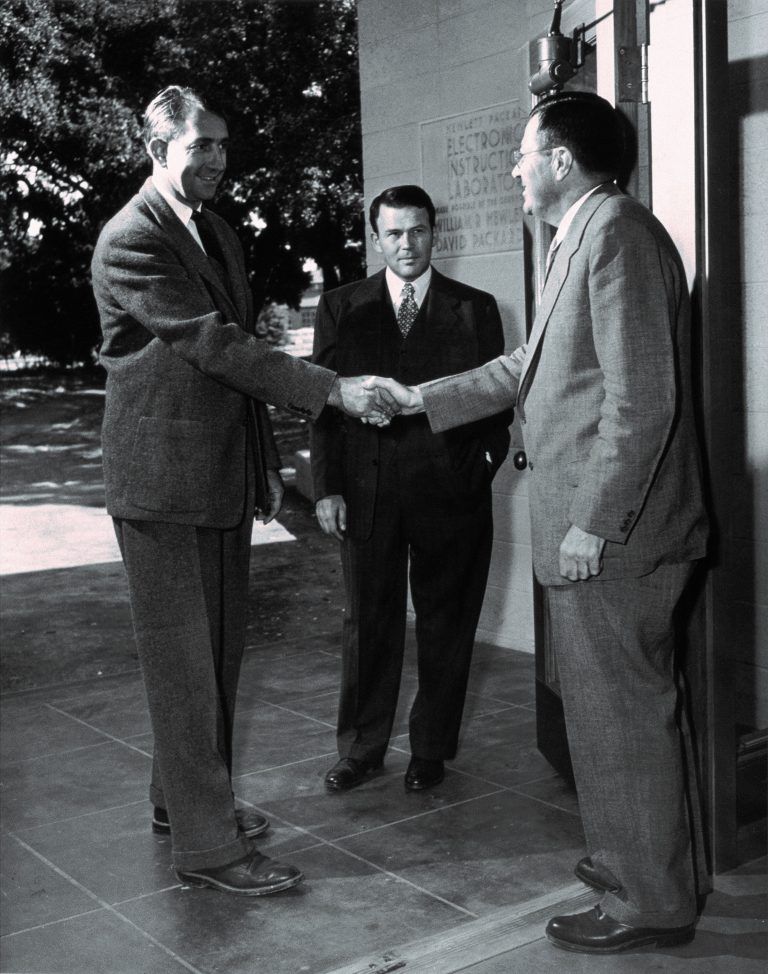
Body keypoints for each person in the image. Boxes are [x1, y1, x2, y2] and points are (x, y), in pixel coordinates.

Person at [369, 92, 709, 953]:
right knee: (610, 721)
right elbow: (533, 364)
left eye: (524, 154)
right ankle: (642, 868)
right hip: (606, 534)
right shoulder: (585, 236)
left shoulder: (618, 235)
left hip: (617, 538)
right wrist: (423, 396)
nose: (515, 169)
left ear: (562, 160)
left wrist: (594, 522)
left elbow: (643, 397)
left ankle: (649, 904)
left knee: (621, 721)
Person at [91, 85, 388, 896]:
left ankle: (180, 803)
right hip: (160, 485)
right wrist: (330, 389)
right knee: (185, 666)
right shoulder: (132, 239)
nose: (218, 159)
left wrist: (262, 464)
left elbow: (235, 361)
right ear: (158, 150)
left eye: (223, 144)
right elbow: (212, 345)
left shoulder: (214, 230)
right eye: (201, 147)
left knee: (216, 655)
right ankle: (208, 849)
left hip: (218, 474)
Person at [311, 185, 512, 794]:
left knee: (446, 623)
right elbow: (322, 402)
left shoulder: (475, 308)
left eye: (418, 230)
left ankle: (431, 749)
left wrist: (478, 468)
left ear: (435, 233)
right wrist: (328, 488)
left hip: (451, 496)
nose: (407, 243)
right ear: (377, 237)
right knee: (367, 622)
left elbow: (497, 404)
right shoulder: (342, 305)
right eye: (394, 232)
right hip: (366, 493)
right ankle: (362, 748)